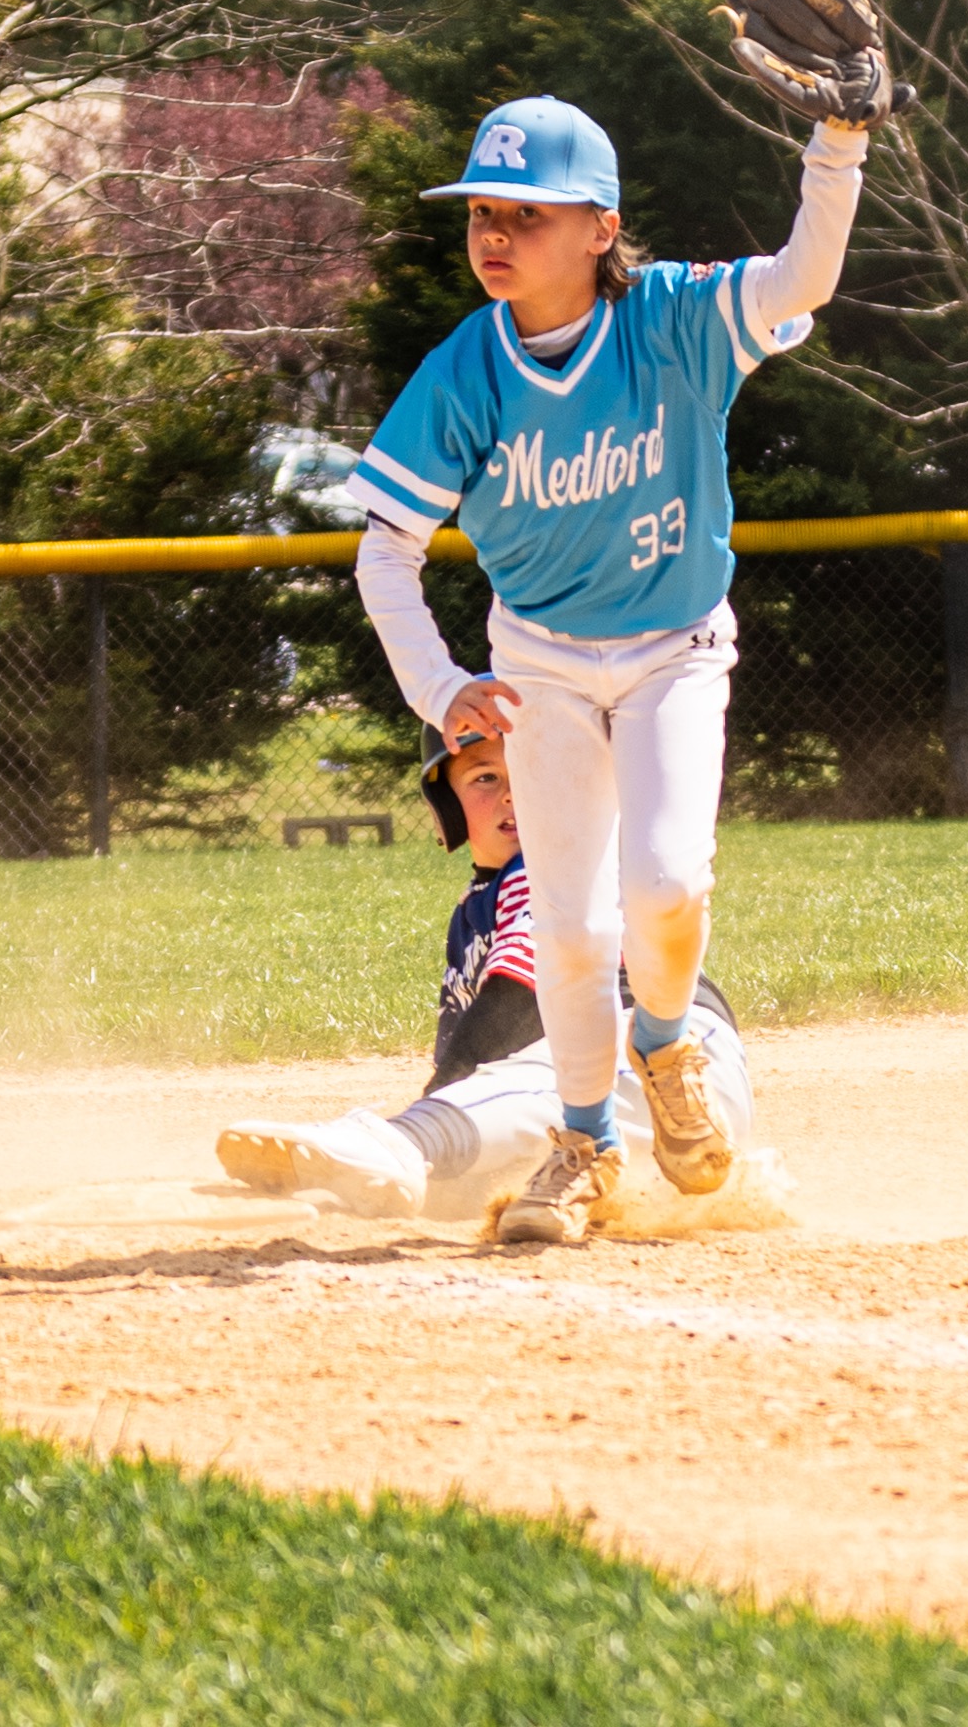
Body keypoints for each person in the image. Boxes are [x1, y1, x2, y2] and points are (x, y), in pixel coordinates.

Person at [343, 84, 876, 1243]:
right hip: (539, 666)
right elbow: (384, 553)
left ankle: (666, 1046)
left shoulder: (675, 318)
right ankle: (583, 1146)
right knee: (575, 929)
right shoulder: (467, 370)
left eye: (526, 213)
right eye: (482, 211)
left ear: (600, 227)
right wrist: (442, 689)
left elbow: (802, 280)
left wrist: (839, 142)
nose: (495, 233)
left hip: (674, 649)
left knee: (669, 883)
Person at [215, 724, 752, 1233]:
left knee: (546, 1080)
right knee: (477, 1171)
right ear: (446, 804)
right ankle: (386, 1162)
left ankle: (398, 1142)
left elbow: (518, 997)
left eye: (533, 770)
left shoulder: (556, 872)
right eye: (485, 777)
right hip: (616, 1125)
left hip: (662, 1062)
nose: (513, 795)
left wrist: (426, 1111)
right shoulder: (477, 907)